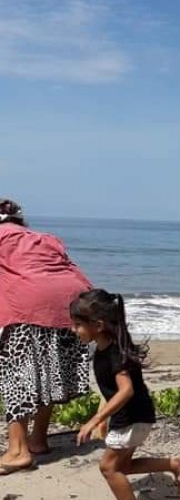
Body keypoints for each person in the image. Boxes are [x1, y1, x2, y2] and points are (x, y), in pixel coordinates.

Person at [70, 289, 180, 500]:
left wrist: (94, 421)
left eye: (77, 325)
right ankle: (175, 464)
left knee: (109, 467)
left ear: (99, 325)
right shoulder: (105, 349)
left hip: (133, 417)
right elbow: (111, 391)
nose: (74, 330)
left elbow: (125, 391)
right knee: (121, 467)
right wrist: (104, 417)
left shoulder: (115, 352)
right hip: (133, 416)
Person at [0, 199, 93, 474]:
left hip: (28, 306)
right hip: (70, 304)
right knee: (49, 375)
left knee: (19, 378)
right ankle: (38, 440)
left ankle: (17, 452)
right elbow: (69, 269)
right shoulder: (46, 239)